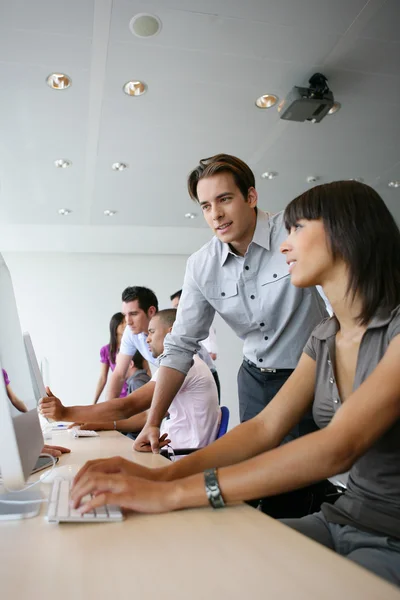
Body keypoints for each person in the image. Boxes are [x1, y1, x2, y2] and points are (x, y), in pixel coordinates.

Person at [70, 180, 400, 586]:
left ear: (344, 230)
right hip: (341, 518)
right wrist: (160, 476)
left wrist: (174, 493)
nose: (283, 245)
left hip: (391, 539)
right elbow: (263, 428)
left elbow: (338, 447)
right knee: (202, 556)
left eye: (297, 229)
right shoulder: (325, 336)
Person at [135, 154, 327, 456]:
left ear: (251, 196)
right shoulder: (201, 265)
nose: (216, 214)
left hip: (306, 374)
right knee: (256, 471)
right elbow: (181, 344)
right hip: (254, 379)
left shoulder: (293, 232)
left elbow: (336, 305)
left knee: (300, 476)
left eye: (224, 199)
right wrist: (153, 421)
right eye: (206, 206)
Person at [40, 310, 220, 450]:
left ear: (170, 333)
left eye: (151, 332)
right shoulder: (184, 363)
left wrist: (64, 413)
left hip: (180, 455)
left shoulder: (183, 365)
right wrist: (103, 425)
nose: (147, 339)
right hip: (173, 450)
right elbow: (146, 416)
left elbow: (128, 406)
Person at [106, 287, 160, 401]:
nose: (128, 321)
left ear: (151, 311)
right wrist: (109, 410)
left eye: (133, 314)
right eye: (125, 315)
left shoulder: (169, 332)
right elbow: (119, 374)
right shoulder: (130, 332)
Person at [171, 289, 221, 400]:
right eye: (174, 307)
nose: (176, 311)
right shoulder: (180, 330)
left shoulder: (202, 325)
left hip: (205, 376)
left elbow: (212, 354)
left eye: (178, 306)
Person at [93, 312, 127, 404]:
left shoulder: (134, 346)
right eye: (122, 322)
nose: (125, 324)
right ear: (115, 326)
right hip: (118, 396)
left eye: (126, 322)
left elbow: (146, 370)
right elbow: (103, 378)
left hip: (136, 391)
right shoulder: (106, 350)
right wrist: (94, 402)